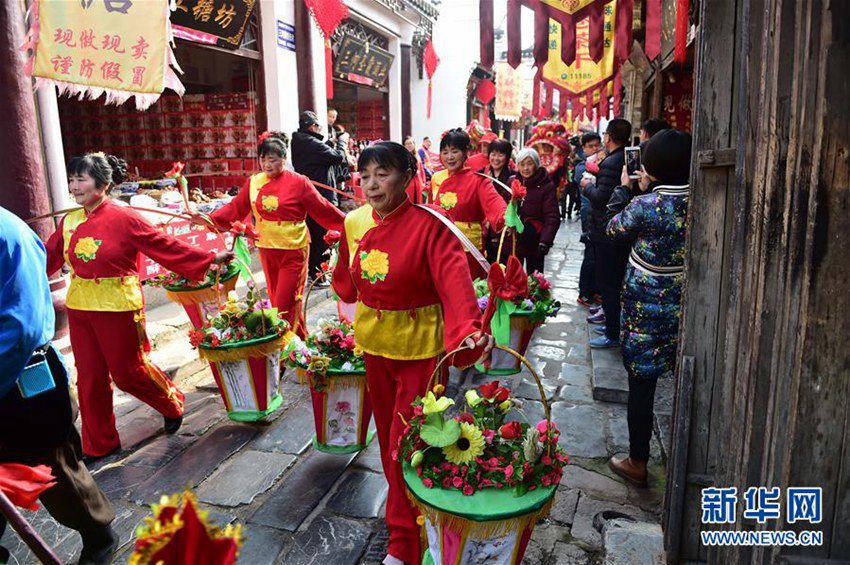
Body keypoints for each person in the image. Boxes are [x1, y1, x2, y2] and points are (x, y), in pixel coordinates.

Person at [331, 142, 493, 565]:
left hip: (421, 351)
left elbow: (456, 286)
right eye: (364, 175)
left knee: (406, 443)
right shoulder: (354, 222)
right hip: (374, 346)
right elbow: (348, 287)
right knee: (388, 439)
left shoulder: (432, 225)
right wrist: (338, 253)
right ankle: (412, 514)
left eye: (382, 174)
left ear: (407, 176)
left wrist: (467, 331)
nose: (371, 184)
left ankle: (404, 541)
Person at [44, 153, 232, 459]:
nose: (74, 186)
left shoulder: (124, 216)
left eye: (82, 179)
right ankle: (100, 443)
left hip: (118, 305)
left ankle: (171, 401)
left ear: (102, 183)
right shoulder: (70, 221)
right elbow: (47, 257)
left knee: (127, 372)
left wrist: (209, 258)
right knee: (90, 378)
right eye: (72, 179)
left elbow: (163, 246)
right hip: (80, 306)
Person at [1, 206, 117, 565]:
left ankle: (98, 535)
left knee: (54, 463)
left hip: (21, 375)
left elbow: (21, 327)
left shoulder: (8, 234)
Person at [605, 129, 692, 486]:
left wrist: (626, 190)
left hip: (644, 309)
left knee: (642, 385)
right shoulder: (701, 200)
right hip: (684, 302)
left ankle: (637, 461)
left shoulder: (646, 205)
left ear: (651, 166)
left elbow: (612, 228)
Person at [206, 132, 345, 336]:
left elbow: (322, 208)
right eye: (263, 159)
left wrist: (348, 223)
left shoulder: (299, 182)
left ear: (283, 159)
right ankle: (299, 343)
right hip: (267, 249)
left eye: (272, 159)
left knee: (284, 304)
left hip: (293, 249)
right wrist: (210, 220)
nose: (267, 164)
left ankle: (282, 349)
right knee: (279, 300)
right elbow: (235, 208)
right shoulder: (254, 182)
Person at [430, 129, 507, 276]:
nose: (449, 157)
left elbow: (494, 201)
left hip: (468, 252)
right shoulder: (437, 178)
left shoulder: (478, 180)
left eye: (454, 151)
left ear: (466, 152)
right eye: (445, 152)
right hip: (442, 248)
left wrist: (505, 216)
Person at [583, 118, 632, 348]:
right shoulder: (625, 157)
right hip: (618, 230)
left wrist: (586, 186)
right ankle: (613, 324)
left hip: (606, 231)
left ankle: (612, 333)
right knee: (613, 282)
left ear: (609, 137)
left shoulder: (612, 161)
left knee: (608, 283)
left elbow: (602, 197)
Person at [291, 111, 348, 281]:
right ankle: (318, 274)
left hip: (310, 197)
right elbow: (337, 157)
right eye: (318, 125)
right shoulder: (311, 143)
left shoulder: (300, 142)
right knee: (322, 236)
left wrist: (330, 143)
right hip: (321, 197)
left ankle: (315, 272)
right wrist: (342, 142)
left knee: (315, 235)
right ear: (312, 126)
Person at [514, 148, 560, 274]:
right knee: (513, 277)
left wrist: (545, 241)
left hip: (535, 239)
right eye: (522, 164)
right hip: (514, 238)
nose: (526, 168)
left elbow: (552, 216)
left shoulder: (546, 186)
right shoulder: (513, 182)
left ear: (536, 164)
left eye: (529, 163)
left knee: (534, 279)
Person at [576, 132, 603, 306]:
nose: (594, 149)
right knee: (590, 253)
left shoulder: (599, 163)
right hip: (588, 212)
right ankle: (584, 292)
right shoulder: (581, 167)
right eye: (590, 146)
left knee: (597, 254)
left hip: (598, 213)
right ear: (584, 148)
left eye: (596, 145)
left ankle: (594, 290)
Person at [481, 139, 515, 262]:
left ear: (507, 157)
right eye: (493, 154)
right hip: (483, 230)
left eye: (500, 155)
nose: (496, 158)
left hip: (502, 231)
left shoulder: (513, 178)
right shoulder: (481, 175)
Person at [403, 135, 427, 204]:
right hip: (409, 183)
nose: (409, 145)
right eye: (407, 144)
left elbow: (421, 169)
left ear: (414, 144)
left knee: (418, 202)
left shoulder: (417, 155)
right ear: (404, 145)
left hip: (418, 182)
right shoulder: (403, 156)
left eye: (410, 143)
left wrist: (423, 182)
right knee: (410, 202)